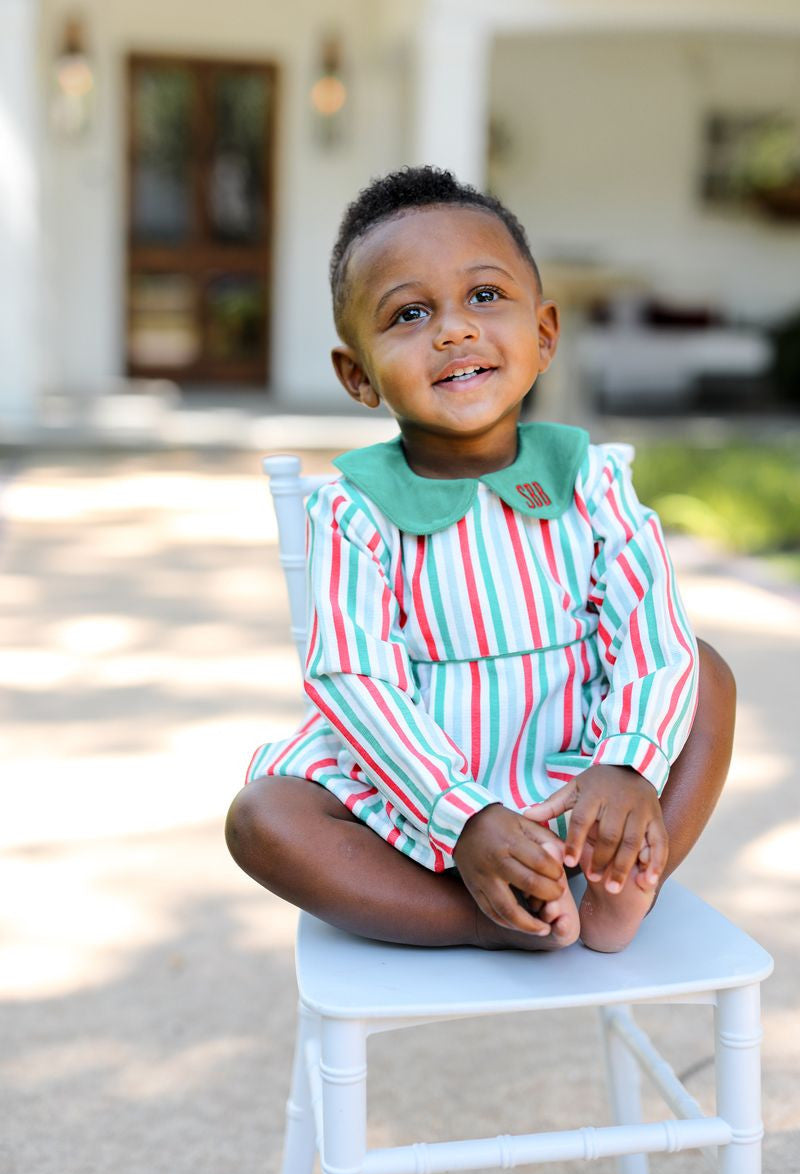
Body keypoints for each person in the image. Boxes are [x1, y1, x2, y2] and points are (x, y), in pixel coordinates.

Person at [226, 166, 735, 953]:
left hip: (582, 774)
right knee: (263, 818)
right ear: (359, 374)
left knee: (703, 674)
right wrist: (462, 817)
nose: (455, 330)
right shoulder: (354, 508)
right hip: (418, 794)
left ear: (544, 334)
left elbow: (649, 630)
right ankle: (492, 920)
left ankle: (616, 884)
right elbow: (353, 679)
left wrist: (630, 766)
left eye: (486, 297)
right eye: (410, 312)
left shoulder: (593, 481)